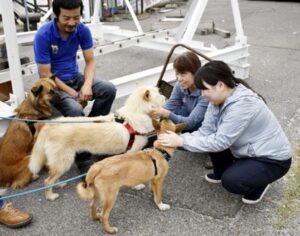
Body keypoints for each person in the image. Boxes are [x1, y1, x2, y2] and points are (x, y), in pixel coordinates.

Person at [157, 60, 292, 204]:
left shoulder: (243, 105)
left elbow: (220, 142)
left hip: (271, 158)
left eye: (205, 89)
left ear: (220, 85)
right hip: (247, 149)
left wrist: (182, 141)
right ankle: (224, 171)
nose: (202, 94)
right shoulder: (217, 100)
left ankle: (259, 183)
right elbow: (205, 132)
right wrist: (178, 138)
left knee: (232, 181)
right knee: (209, 140)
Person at [33, 0, 116, 173]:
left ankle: (92, 133)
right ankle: (84, 158)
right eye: (66, 18)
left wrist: (86, 85)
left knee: (108, 89)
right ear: (56, 15)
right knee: (75, 109)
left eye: (76, 17)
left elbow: (91, 60)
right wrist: (73, 94)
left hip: (75, 77)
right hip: (54, 85)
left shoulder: (82, 30)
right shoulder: (43, 35)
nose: (72, 23)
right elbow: (46, 75)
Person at [151, 51, 208, 132]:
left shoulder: (206, 93)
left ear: (196, 73)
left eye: (183, 74)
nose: (179, 78)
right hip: (187, 117)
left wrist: (167, 114)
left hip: (201, 129)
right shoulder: (180, 86)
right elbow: (171, 105)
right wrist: (156, 112)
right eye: (177, 74)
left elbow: (190, 123)